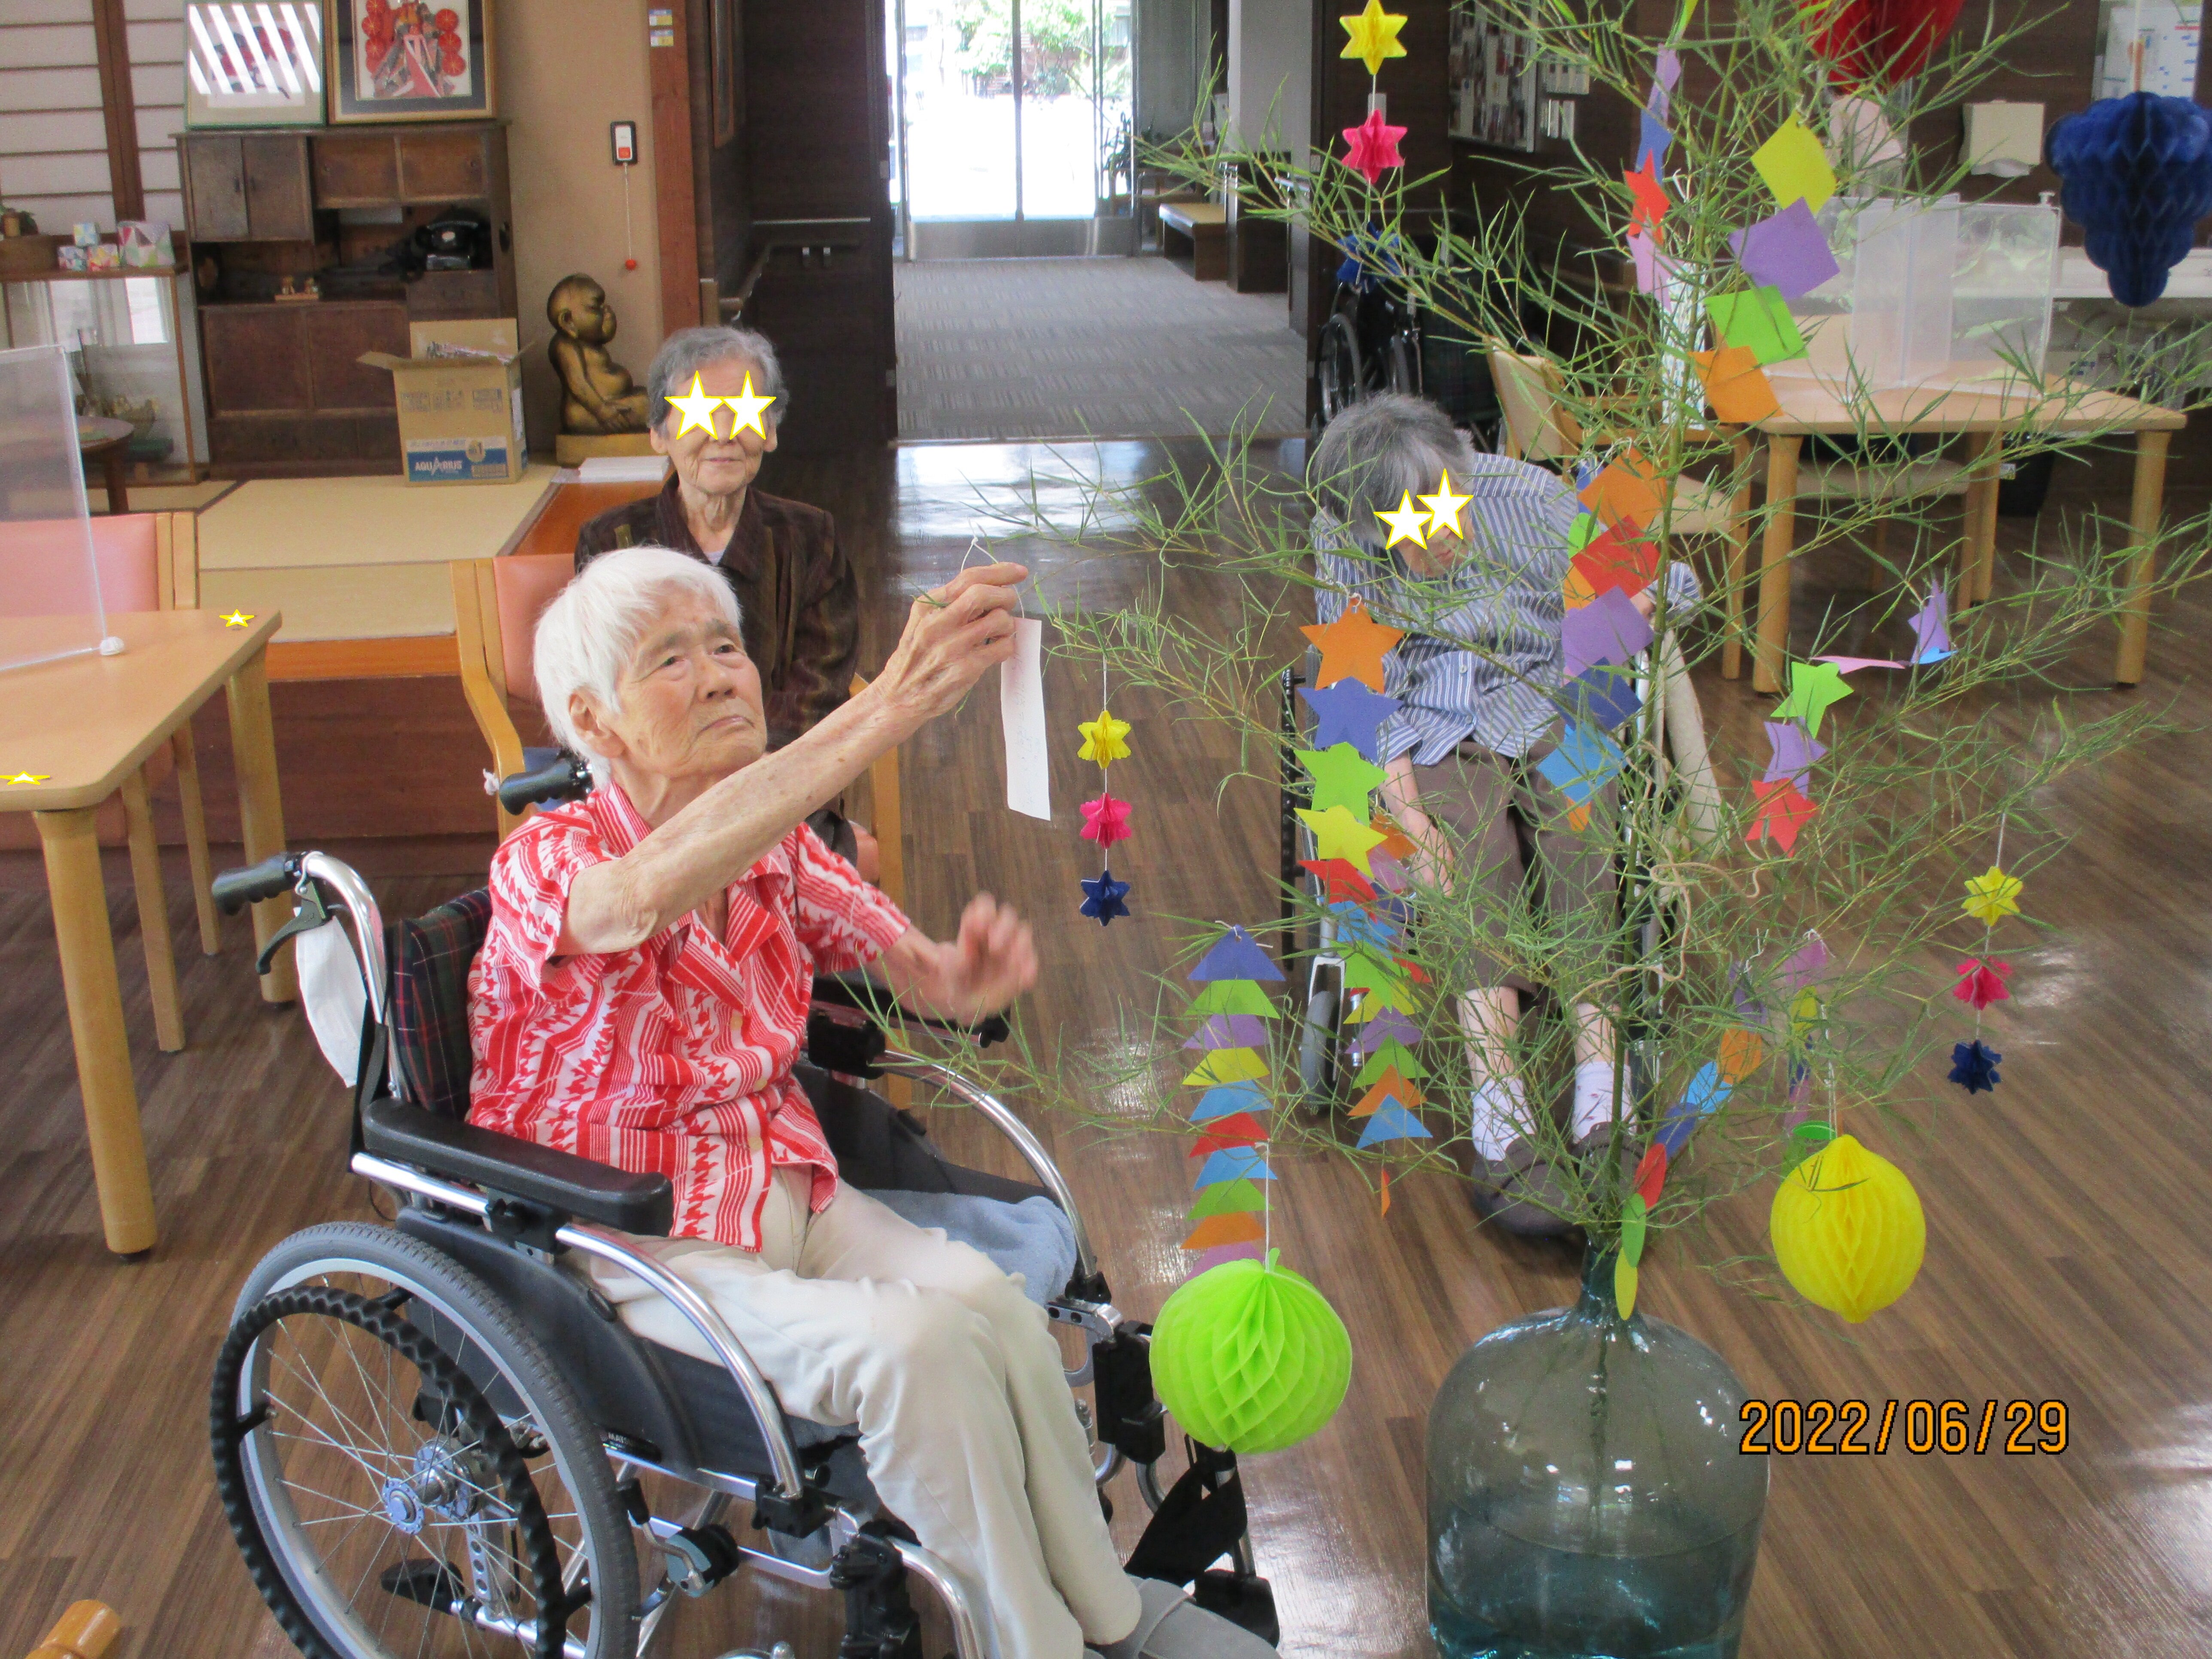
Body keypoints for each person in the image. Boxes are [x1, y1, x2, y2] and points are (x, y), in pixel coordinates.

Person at [468, 546, 1271, 1659]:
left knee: (995, 1309)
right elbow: (630, 904)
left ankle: (1115, 1615)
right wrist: (890, 705)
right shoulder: (543, 860)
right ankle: (1031, 1646)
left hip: (788, 1181)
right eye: (670, 659)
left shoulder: (778, 849)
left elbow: (914, 968)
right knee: (919, 1349)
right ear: (592, 723)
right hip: (642, 1241)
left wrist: (959, 978)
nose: (719, 675)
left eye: (726, 647)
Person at [1309, 394, 1698, 1237]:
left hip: (1552, 698)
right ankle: (1499, 1109)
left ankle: (1603, 1092)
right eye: (1405, 537)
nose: (1433, 543)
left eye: (1442, 515)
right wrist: (1409, 822)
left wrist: (1611, 634)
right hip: (1430, 726)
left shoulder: (1527, 494)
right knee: (1471, 850)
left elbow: (1673, 585)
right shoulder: (1343, 530)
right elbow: (1356, 692)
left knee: (1582, 837)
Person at [574, 324, 872, 870]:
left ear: (770, 430)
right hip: (656, 794)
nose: (723, 432)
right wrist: (691, 786)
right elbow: (612, 690)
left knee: (791, 868)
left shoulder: (811, 537)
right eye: (699, 414)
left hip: (780, 784)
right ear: (659, 433)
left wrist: (747, 782)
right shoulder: (611, 543)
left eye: (743, 412)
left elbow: (820, 685)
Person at [546, 272, 651, 434]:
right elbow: (578, 384)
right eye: (596, 308)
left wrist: (609, 322)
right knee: (647, 406)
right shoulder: (565, 346)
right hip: (590, 412)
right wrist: (602, 411)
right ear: (568, 321)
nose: (605, 311)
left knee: (647, 396)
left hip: (610, 404)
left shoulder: (589, 341)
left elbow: (605, 335)